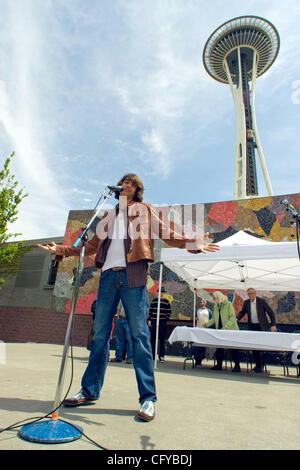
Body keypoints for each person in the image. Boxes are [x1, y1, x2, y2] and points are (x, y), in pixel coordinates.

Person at [37, 173, 219, 422]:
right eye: (124, 182)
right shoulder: (108, 215)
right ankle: (89, 390)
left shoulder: (144, 209)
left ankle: (148, 399)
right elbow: (90, 248)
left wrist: (194, 243)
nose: (126, 185)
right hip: (109, 277)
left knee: (140, 335)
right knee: (100, 335)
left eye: (131, 183)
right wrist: (62, 250)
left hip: (133, 274)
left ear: (137, 190)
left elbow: (167, 232)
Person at [236, 287, 277, 373]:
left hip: (262, 327)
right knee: (254, 347)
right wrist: (236, 319)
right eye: (249, 294)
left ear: (255, 293)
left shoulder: (261, 301)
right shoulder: (246, 302)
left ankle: (261, 365)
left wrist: (273, 325)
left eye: (252, 293)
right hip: (252, 327)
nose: (251, 295)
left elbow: (271, 313)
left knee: (261, 347)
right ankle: (258, 364)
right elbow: (242, 312)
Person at [203, 291, 241, 372]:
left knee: (233, 349)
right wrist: (207, 324)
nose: (213, 300)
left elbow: (232, 317)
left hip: (231, 330)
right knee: (219, 348)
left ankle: (237, 366)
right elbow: (214, 318)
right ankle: (219, 365)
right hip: (220, 330)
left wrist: (226, 326)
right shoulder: (216, 306)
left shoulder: (228, 304)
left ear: (218, 297)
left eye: (214, 298)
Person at [148, 287, 171, 363]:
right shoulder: (154, 301)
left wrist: (165, 320)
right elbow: (150, 311)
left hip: (162, 322)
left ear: (164, 293)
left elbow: (168, 312)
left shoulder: (166, 302)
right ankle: (152, 355)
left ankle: (161, 355)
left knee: (162, 340)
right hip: (154, 321)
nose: (161, 293)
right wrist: (149, 320)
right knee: (153, 339)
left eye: (162, 292)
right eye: (159, 292)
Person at [192, 299, 212, 366]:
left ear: (205, 303)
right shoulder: (198, 310)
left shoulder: (208, 311)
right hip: (198, 328)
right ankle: (197, 359)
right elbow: (195, 317)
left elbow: (211, 319)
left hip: (205, 329)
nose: (201, 303)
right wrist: (196, 319)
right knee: (197, 345)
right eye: (200, 302)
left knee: (203, 346)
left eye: (202, 302)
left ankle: (200, 359)